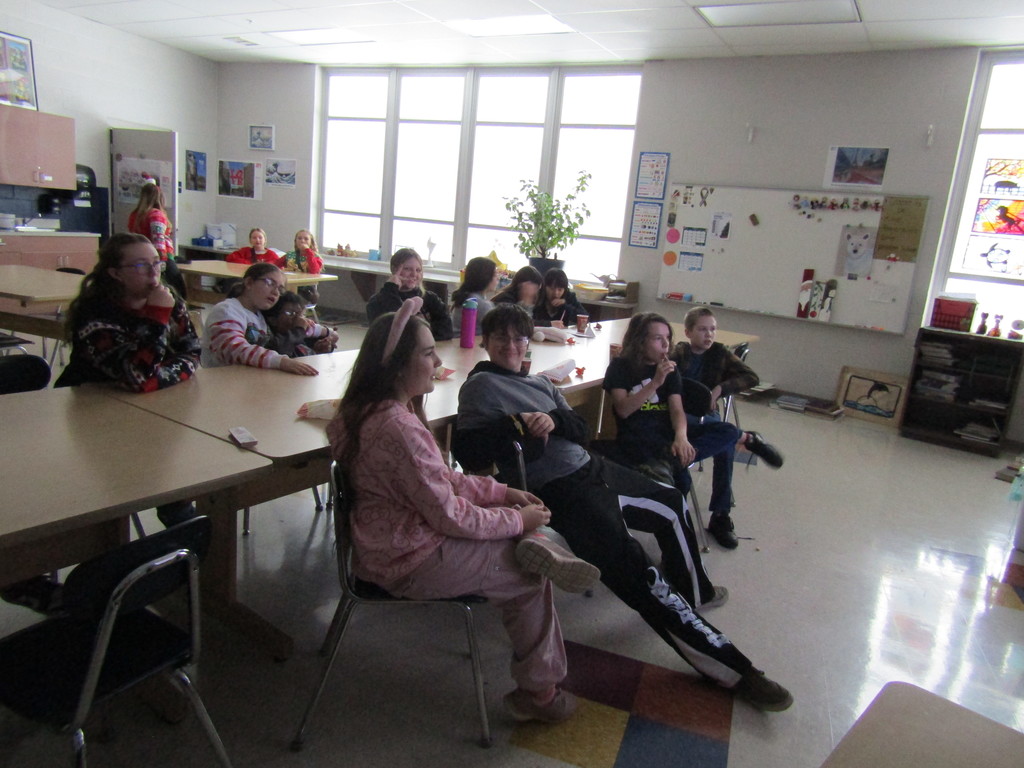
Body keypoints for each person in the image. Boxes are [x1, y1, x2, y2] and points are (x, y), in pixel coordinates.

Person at [453, 304, 793, 712]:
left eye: (519, 338)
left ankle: (693, 590)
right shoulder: (481, 387)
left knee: (671, 501)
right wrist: (517, 425)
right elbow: (468, 452)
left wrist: (551, 420)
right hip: (563, 490)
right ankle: (737, 670)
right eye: (501, 338)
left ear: (529, 341)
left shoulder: (539, 384)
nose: (511, 346)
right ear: (486, 342)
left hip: (591, 467)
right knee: (641, 576)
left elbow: (578, 430)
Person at [327, 297, 598, 723]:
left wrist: (503, 492)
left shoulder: (372, 412)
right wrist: (514, 517)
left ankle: (534, 540)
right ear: (399, 366)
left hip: (394, 539)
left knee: (515, 537)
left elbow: (443, 480)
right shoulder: (399, 427)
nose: (438, 358)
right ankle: (540, 695)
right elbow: (449, 514)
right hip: (407, 557)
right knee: (530, 576)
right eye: (428, 352)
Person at [56, 234, 199, 524]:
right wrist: (157, 317)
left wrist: (158, 376)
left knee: (178, 474)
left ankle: (186, 542)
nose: (153, 272)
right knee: (109, 485)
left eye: (156, 263)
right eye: (140, 265)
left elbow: (192, 353)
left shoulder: (170, 299)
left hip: (157, 405)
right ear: (115, 273)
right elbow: (138, 377)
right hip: (93, 411)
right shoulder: (95, 315)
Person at [670, 307, 784, 549]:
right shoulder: (679, 352)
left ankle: (720, 515)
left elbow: (751, 377)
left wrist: (720, 389)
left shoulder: (720, 353)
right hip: (680, 414)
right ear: (689, 332)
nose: (708, 334)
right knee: (725, 435)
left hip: (707, 415)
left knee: (725, 446)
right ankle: (747, 438)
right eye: (702, 329)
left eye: (712, 329)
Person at [200, 262, 318, 375]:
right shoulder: (227, 310)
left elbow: (296, 327)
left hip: (251, 378)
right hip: (222, 382)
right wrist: (280, 361)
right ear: (249, 283)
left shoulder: (259, 315)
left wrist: (323, 334)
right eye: (270, 283)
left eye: (280, 289)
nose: (275, 292)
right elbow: (235, 350)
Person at [365, 248, 453, 341]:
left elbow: (447, 331)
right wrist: (391, 289)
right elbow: (399, 330)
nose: (414, 274)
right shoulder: (377, 301)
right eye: (407, 269)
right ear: (394, 270)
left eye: (418, 270)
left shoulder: (430, 298)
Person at [127, 180, 186, 297]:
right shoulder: (156, 214)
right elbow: (158, 240)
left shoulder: (135, 215)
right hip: (160, 258)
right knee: (179, 290)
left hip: (140, 257)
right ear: (160, 198)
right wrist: (161, 262)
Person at [263, 291, 338, 357]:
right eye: (290, 313)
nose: (298, 318)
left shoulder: (299, 335)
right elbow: (280, 350)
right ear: (273, 320)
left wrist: (323, 346)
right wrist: (299, 330)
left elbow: (308, 351)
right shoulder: (275, 340)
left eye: (299, 314)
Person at [450, 256, 498, 336]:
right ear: (485, 277)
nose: (498, 278)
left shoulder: (467, 296)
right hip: (470, 345)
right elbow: (498, 329)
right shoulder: (479, 303)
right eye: (495, 275)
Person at [282, 229, 325, 309]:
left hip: (305, 289)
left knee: (293, 300)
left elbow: (314, 270)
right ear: (295, 241)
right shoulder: (290, 255)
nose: (302, 241)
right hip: (288, 286)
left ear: (311, 242)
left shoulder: (315, 256)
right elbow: (275, 265)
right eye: (299, 238)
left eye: (306, 239)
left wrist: (308, 252)